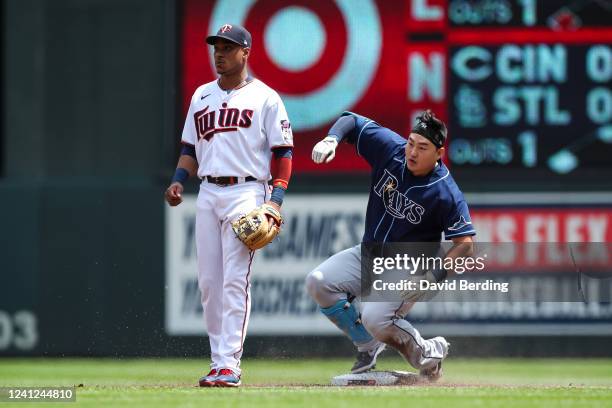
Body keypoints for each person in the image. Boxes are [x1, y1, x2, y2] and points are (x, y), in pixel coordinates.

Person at [165, 24, 293, 388]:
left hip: (246, 192)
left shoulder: (266, 98)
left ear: (245, 53)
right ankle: (217, 360)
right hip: (207, 192)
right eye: (216, 47)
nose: (219, 53)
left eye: (228, 47)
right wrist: (179, 180)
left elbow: (283, 153)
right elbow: (190, 149)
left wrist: (275, 202)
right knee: (208, 284)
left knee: (235, 280)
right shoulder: (201, 96)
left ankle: (229, 365)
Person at [306, 110, 474, 380]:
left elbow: (465, 244)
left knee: (375, 317)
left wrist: (433, 277)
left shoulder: (446, 192)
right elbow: (351, 120)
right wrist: (332, 139)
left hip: (407, 267)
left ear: (439, 153)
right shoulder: (392, 150)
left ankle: (429, 352)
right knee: (318, 282)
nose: (412, 152)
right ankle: (367, 344)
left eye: (422, 147)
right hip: (369, 253)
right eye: (411, 143)